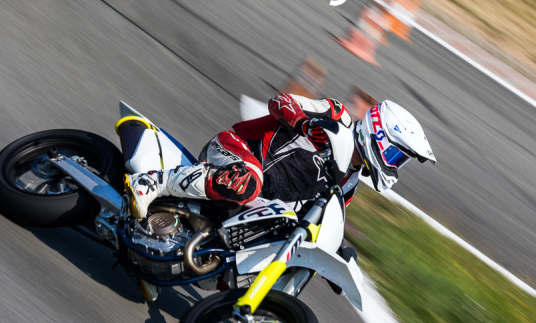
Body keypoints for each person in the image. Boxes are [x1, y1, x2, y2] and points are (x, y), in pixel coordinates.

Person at [123, 93, 436, 219]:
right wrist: (302, 123)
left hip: (258, 201)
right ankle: (152, 182)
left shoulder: (350, 181)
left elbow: (323, 220)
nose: (395, 164)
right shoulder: (336, 115)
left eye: (400, 160)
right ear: (378, 135)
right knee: (250, 182)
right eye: (396, 155)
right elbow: (280, 101)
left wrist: (339, 253)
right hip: (235, 150)